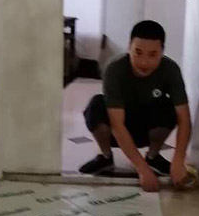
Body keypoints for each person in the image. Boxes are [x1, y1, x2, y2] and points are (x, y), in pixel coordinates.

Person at [79, 20, 191, 192]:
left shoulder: (171, 70)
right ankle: (106, 157)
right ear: (129, 47)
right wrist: (142, 169)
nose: (144, 62)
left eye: (153, 55)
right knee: (96, 105)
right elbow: (117, 124)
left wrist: (179, 160)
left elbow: (184, 118)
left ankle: (153, 157)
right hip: (118, 129)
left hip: (149, 126)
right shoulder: (114, 70)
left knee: (169, 108)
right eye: (138, 53)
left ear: (162, 52)